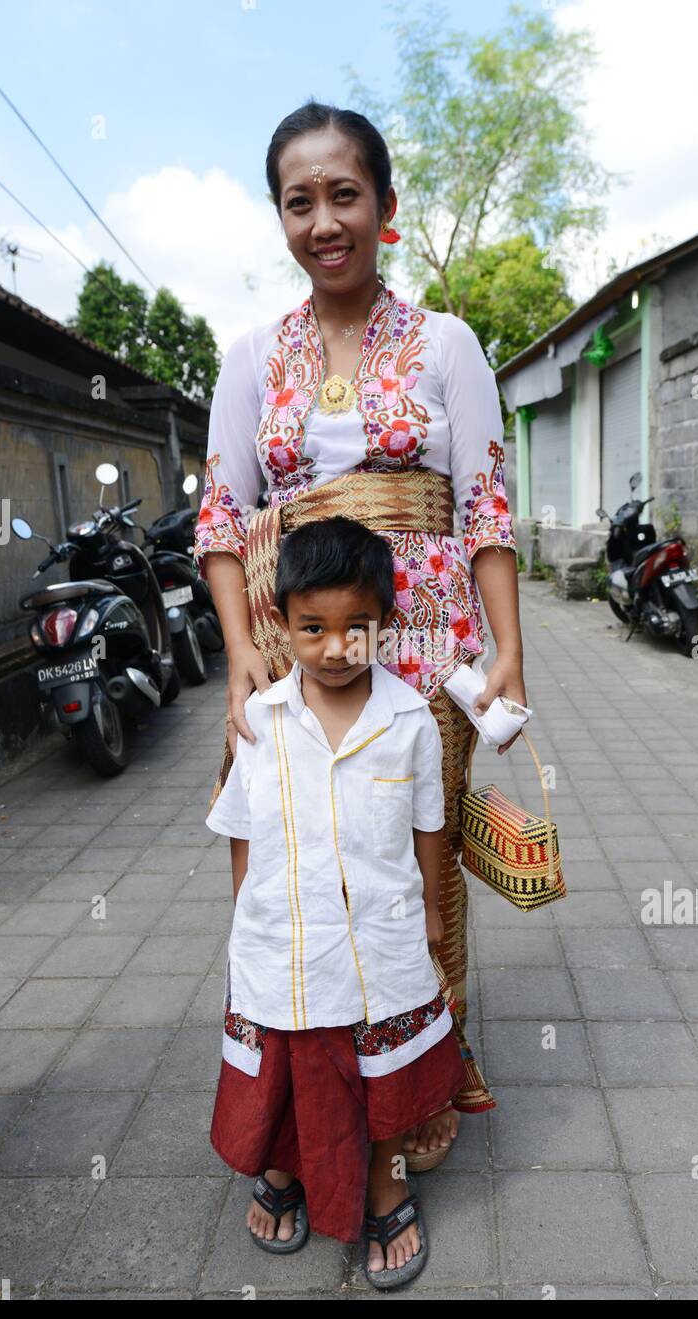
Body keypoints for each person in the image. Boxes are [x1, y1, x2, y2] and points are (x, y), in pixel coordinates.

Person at [194, 99, 527, 1170]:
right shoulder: (251, 355)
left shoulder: (446, 343)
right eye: (300, 201)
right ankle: (302, 1100)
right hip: (292, 651)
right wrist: (243, 654)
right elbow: (218, 514)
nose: (323, 220)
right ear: (280, 217)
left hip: (425, 645)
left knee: (410, 873)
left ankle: (417, 1091)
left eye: (345, 195)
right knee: (296, 874)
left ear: (385, 208)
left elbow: (484, 506)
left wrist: (507, 648)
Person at [206, 516, 467, 1287]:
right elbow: (241, 829)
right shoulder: (259, 721)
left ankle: (388, 1185)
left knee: (381, 1062)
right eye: (312, 627)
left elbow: (429, 822)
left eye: (356, 627)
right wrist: (244, 910)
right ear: (281, 623)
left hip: (379, 935)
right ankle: (282, 1172)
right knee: (284, 1062)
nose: (333, 646)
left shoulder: (411, 720)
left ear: (383, 624)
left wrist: (430, 906)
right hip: (281, 936)